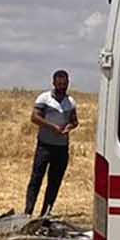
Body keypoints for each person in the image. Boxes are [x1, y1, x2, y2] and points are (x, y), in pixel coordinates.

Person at [24, 69, 79, 217]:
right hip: (45, 146)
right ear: (53, 83)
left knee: (54, 182)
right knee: (36, 179)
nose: (62, 85)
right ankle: (28, 212)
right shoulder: (44, 98)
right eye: (59, 83)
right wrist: (51, 126)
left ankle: (45, 214)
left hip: (61, 148)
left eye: (65, 83)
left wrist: (69, 127)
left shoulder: (70, 102)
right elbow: (34, 117)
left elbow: (75, 121)